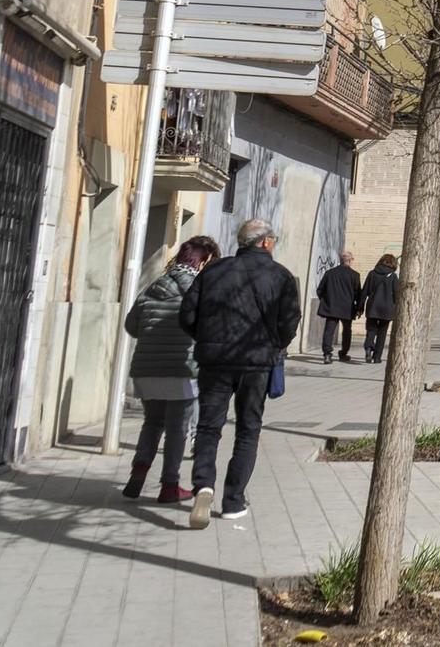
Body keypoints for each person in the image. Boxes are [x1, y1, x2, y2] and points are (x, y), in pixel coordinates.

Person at [181, 218, 301, 528]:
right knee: (248, 429)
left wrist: (206, 338)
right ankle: (233, 500)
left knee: (208, 427)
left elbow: (187, 314)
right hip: (256, 362)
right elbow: (289, 321)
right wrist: (275, 344)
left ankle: (203, 485)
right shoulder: (281, 276)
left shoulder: (213, 271)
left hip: (215, 361)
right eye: (272, 239)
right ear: (265, 243)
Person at [121, 235, 220, 503]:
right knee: (178, 428)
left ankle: (139, 471)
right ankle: (169, 485)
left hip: (145, 369)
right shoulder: (198, 292)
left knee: (152, 422)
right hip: (182, 370)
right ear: (203, 263)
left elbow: (132, 326)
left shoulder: (152, 287)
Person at [315, 250, 362, 364]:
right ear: (350, 261)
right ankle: (343, 353)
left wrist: (326, 300)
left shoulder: (330, 273)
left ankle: (327, 354)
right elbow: (358, 294)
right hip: (347, 308)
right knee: (347, 331)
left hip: (332, 307)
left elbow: (320, 289)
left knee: (329, 330)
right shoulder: (355, 275)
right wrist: (358, 308)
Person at [361, 253, 401, 363]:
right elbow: (397, 293)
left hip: (373, 306)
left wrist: (360, 307)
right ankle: (377, 357)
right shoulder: (393, 276)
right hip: (387, 308)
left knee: (371, 329)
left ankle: (368, 347)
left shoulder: (372, 274)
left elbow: (365, 291)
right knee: (382, 333)